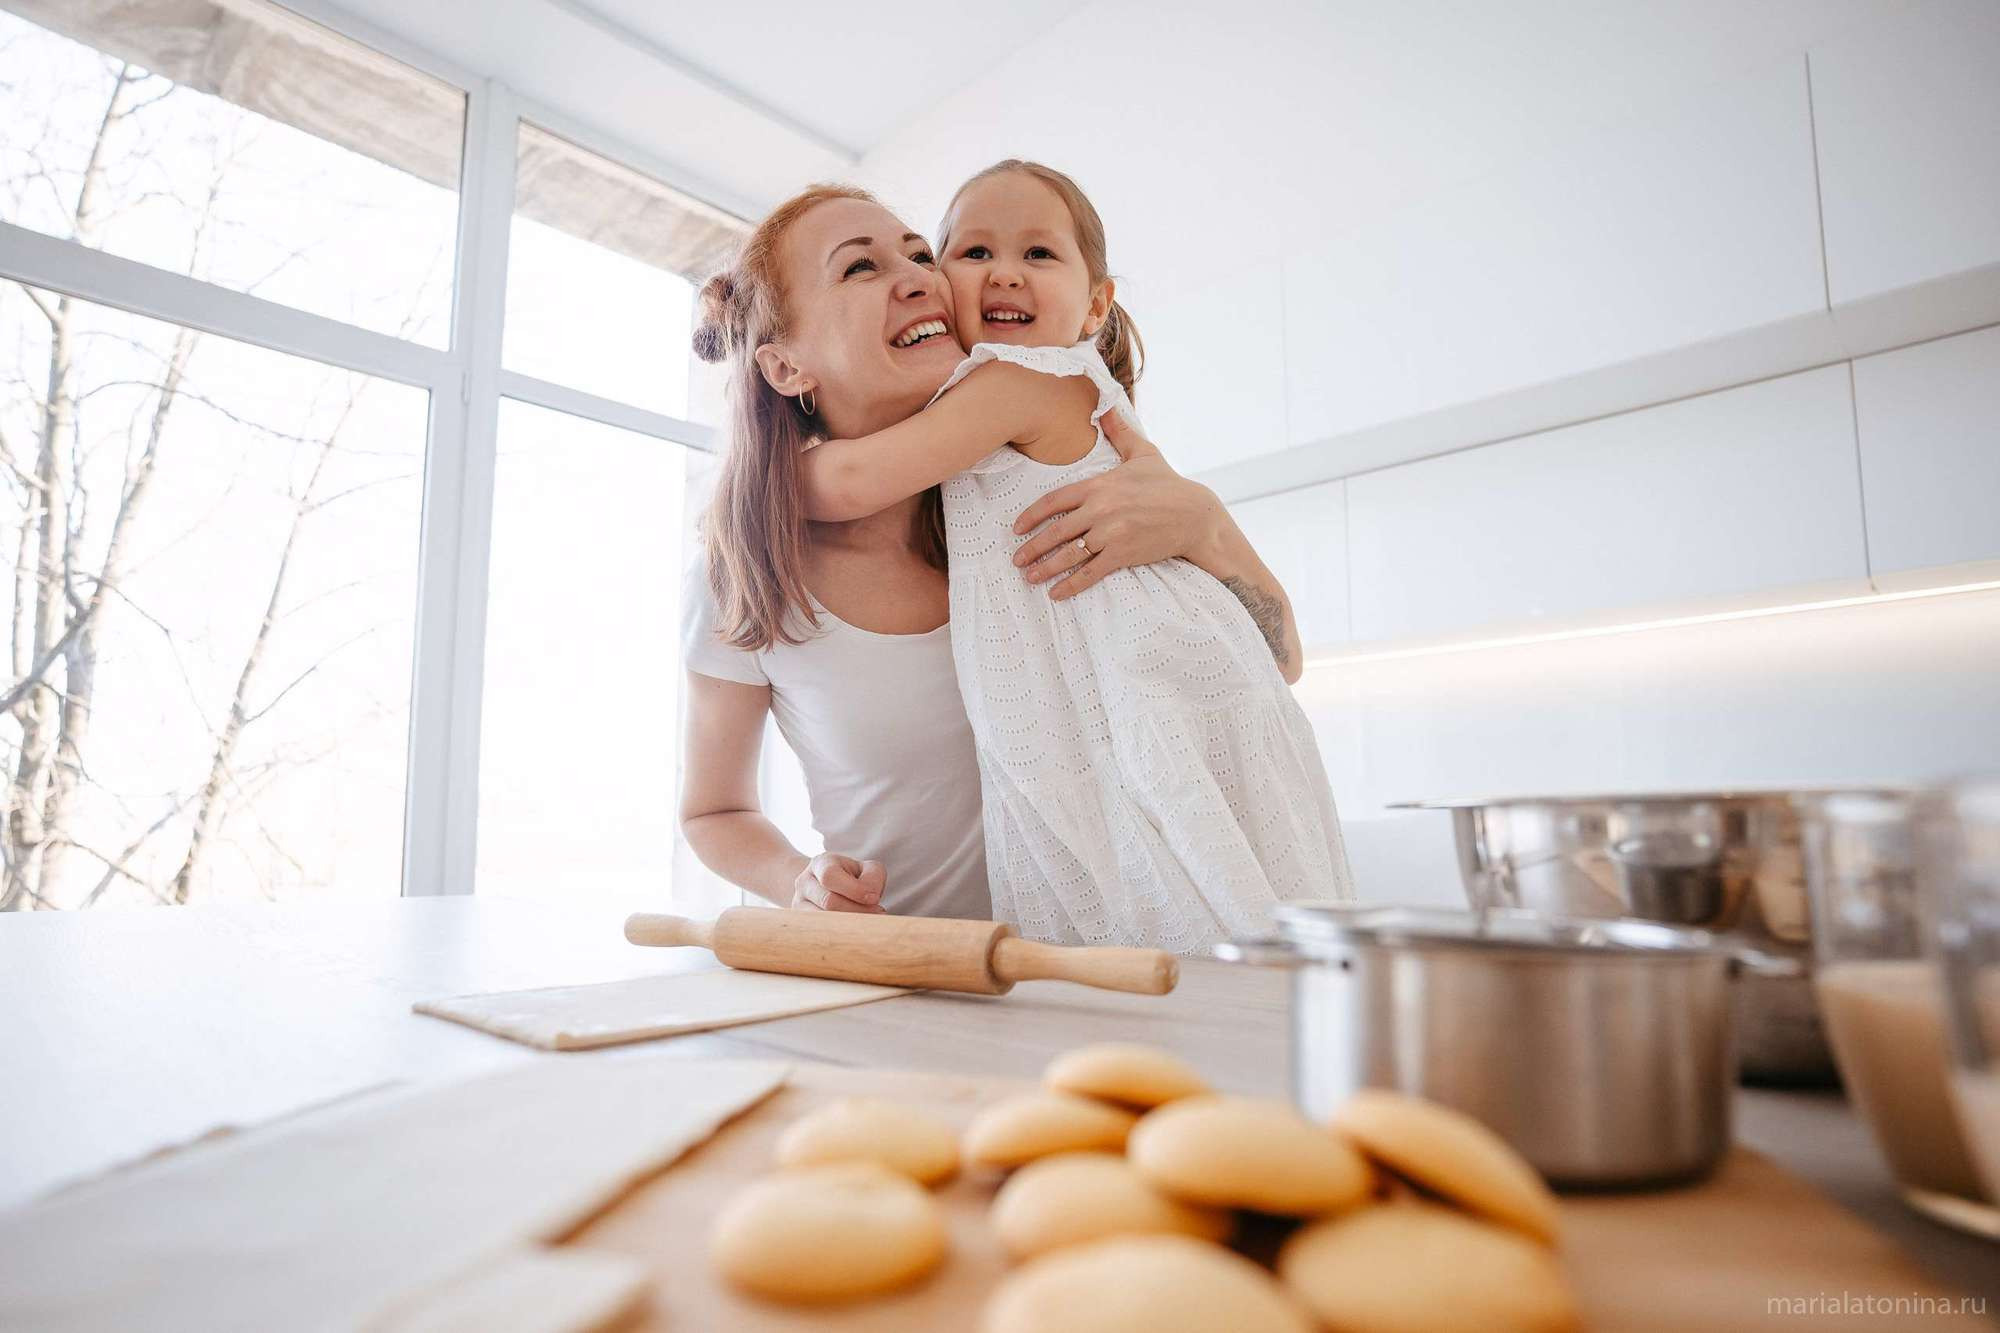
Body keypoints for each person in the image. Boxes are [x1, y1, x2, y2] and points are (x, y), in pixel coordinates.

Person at [680, 182, 1324, 942]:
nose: (918, 276)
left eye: (921, 254)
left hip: (1109, 962)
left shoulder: (1041, 491)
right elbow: (713, 811)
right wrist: (797, 879)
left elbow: (1277, 661)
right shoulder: (745, 579)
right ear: (785, 367)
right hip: (912, 976)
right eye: (861, 269)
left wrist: (1208, 526)